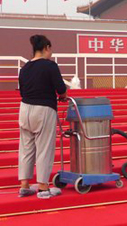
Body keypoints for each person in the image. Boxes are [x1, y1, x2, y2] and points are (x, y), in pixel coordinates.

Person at [18, 35, 67, 199]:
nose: (51, 53)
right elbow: (61, 89)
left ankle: (24, 185)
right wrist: (63, 96)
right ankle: (43, 187)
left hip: (25, 109)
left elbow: (22, 91)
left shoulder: (24, 68)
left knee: (26, 148)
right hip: (43, 109)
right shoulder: (50, 66)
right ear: (46, 47)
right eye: (50, 49)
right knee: (44, 148)